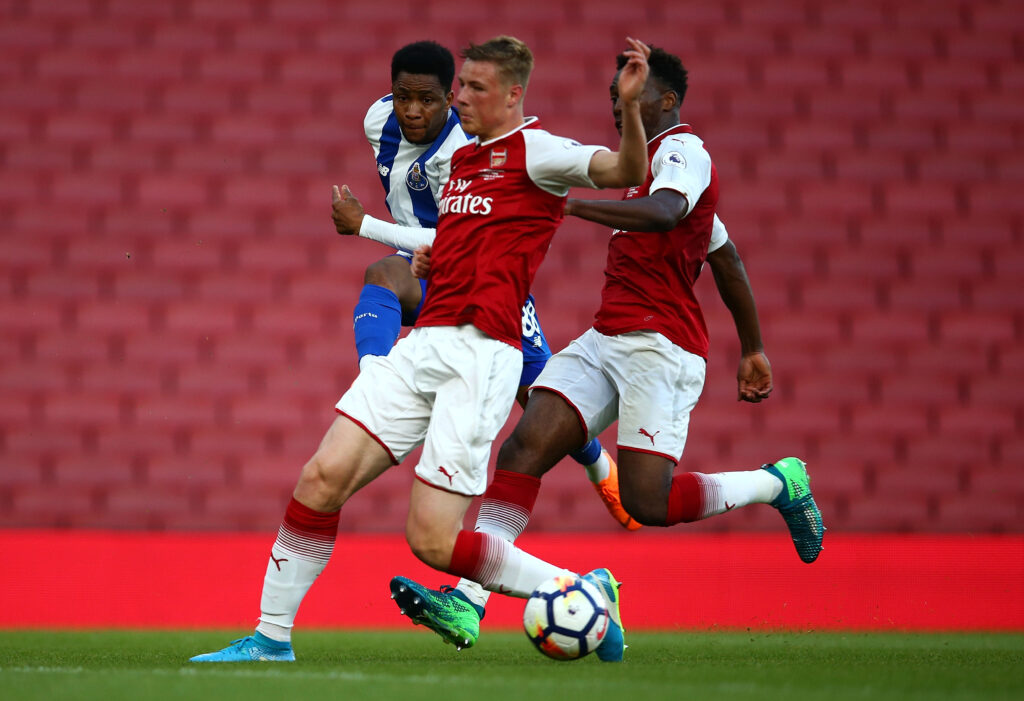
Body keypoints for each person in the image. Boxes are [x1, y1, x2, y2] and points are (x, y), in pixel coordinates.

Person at [190, 35, 652, 664]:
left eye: (474, 88)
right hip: (425, 342)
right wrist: (438, 253)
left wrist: (630, 112)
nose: (459, 96)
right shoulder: (461, 163)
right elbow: (452, 240)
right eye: (460, 85)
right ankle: (270, 640)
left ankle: (578, 589)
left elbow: (626, 174)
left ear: (514, 95)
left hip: (481, 353)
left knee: (431, 541)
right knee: (320, 478)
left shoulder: (539, 152)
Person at [392, 45, 826, 660]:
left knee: (649, 502)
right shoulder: (644, 167)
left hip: (663, 347)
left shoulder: (683, 154)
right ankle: (469, 599)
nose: (619, 110)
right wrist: (753, 346)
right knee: (524, 447)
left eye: (635, 98)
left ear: (667, 101)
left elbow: (668, 212)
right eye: (612, 101)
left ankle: (775, 482)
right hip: (606, 339)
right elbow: (723, 254)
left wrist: (565, 204)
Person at [335, 40, 638, 533]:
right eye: (403, 97)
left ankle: (600, 466)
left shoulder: (463, 147)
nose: (413, 111)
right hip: (425, 269)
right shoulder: (377, 121)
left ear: (449, 97)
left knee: (539, 400)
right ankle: (374, 374)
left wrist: (363, 224)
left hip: (483, 279)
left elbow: (448, 232)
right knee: (382, 276)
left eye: (428, 100)